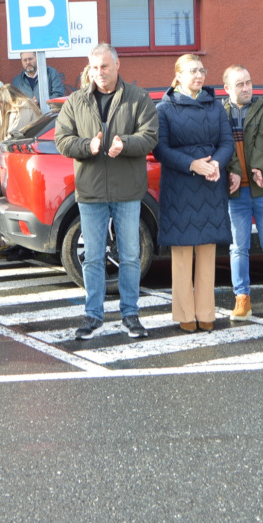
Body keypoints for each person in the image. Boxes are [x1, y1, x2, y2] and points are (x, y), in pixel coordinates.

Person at [56, 44, 161, 338]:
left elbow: (150, 137)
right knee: (92, 257)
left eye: (105, 66)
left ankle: (130, 314)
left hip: (127, 189)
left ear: (117, 65)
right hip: (90, 191)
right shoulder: (76, 101)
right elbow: (62, 139)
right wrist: (86, 146)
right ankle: (92, 315)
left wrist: (124, 144)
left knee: (129, 255)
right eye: (94, 67)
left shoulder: (138, 98)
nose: (99, 73)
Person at [155, 54, 233, 332]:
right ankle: (185, 314)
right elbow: (160, 150)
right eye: (192, 71)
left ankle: (206, 313)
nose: (199, 75)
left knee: (207, 252)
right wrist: (192, 164)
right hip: (180, 186)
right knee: (182, 255)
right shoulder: (165, 108)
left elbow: (226, 143)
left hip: (210, 185)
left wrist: (216, 164)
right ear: (178, 75)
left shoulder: (215, 106)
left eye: (202, 70)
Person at [222, 65, 263, 323]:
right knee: (238, 247)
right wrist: (236, 170)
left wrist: (257, 166)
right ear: (227, 89)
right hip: (236, 192)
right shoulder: (221, 113)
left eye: (248, 82)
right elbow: (223, 145)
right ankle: (242, 299)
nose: (247, 88)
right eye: (240, 84)